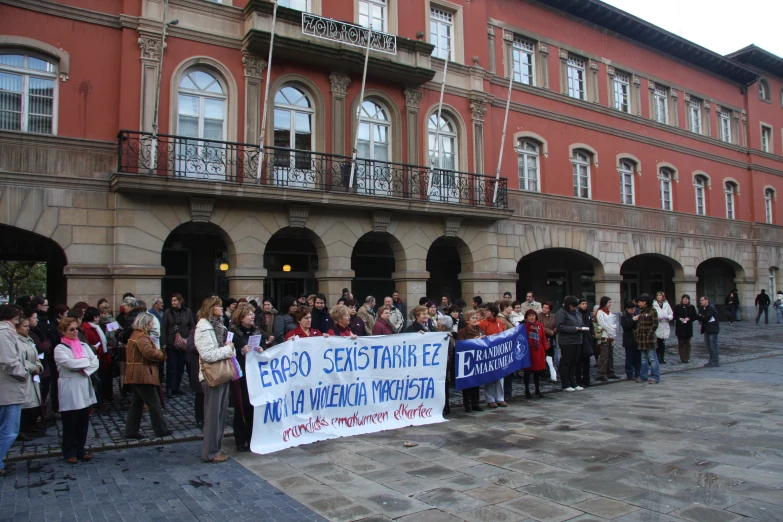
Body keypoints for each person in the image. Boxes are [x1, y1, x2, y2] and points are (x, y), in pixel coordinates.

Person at [194, 296, 236, 463]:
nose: (221, 308)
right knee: (213, 415)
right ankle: (210, 451)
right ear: (211, 308)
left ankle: (216, 448)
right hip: (211, 375)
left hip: (222, 373)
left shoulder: (219, 325)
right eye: (218, 306)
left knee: (220, 414)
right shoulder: (204, 328)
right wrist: (228, 349)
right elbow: (208, 354)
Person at [54, 317, 100, 463]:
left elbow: (95, 361)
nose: (75, 332)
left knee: (83, 420)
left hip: (83, 382)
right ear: (62, 332)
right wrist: (86, 363)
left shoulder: (83, 346)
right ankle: (69, 451)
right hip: (70, 385)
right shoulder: (60, 348)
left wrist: (85, 367)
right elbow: (69, 363)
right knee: (70, 421)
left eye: (76, 329)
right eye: (71, 329)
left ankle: (81, 448)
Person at [124, 312, 170, 440]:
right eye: (151, 323)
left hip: (137, 373)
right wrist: (161, 354)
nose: (152, 325)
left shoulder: (137, 335)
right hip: (142, 374)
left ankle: (131, 431)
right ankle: (160, 429)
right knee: (153, 403)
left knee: (137, 403)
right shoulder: (142, 337)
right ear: (146, 323)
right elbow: (149, 353)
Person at [229, 304, 263, 452]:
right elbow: (229, 352)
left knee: (252, 407)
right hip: (240, 375)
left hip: (254, 375)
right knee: (241, 407)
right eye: (249, 314)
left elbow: (263, 347)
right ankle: (240, 439)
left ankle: (252, 437)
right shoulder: (233, 333)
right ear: (241, 317)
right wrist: (240, 351)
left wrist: (262, 349)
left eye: (253, 314)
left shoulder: (256, 332)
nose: (252, 316)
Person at [0, 305, 28, 475]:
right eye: (17, 319)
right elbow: (9, 361)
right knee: (9, 430)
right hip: (8, 388)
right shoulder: (4, 333)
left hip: (8, 387)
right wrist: (24, 374)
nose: (18, 322)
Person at [161, 294, 195, 397]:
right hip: (171, 343)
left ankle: (177, 387)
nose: (173, 303)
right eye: (172, 301)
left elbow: (192, 326)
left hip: (184, 343)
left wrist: (189, 339)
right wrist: (164, 342)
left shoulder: (187, 312)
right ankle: (169, 388)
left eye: (175, 300)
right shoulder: (168, 312)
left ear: (180, 301)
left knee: (181, 367)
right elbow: (164, 327)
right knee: (172, 367)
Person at [16, 315, 44, 437]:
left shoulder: (29, 339)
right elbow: (19, 359)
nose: (27, 328)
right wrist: (33, 367)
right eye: (25, 326)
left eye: (28, 326)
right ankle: (21, 429)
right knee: (25, 404)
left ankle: (31, 425)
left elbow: (35, 355)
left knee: (34, 402)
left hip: (33, 376)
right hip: (24, 375)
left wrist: (39, 366)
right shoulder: (16, 341)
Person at [80, 307, 112, 406]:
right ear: (95, 317)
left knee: (103, 379)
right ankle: (98, 401)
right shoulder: (87, 329)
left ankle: (102, 398)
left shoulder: (95, 327)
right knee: (98, 381)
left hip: (102, 356)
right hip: (96, 357)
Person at [478, 302, 507, 408]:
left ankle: (500, 398)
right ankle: (490, 399)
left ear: (493, 312)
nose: (485, 312)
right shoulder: (482, 323)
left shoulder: (501, 323)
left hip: (499, 352)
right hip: (488, 353)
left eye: (487, 310)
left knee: (500, 377)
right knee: (489, 376)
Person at [555, 296, 585, 392]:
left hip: (577, 340)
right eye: (573, 306)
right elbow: (560, 327)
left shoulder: (577, 312)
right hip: (567, 341)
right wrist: (574, 329)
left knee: (574, 363)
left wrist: (583, 328)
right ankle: (565, 383)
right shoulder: (561, 313)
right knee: (566, 362)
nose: (574, 308)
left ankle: (573, 382)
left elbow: (581, 322)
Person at [456, 310, 484, 412]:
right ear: (467, 320)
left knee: (476, 383)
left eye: (476, 318)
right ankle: (467, 404)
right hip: (467, 360)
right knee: (467, 383)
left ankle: (475, 403)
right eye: (473, 318)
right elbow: (460, 344)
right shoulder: (462, 331)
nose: (475, 320)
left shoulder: (480, 330)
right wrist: (473, 341)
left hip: (477, 359)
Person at [523, 309, 548, 399]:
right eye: (529, 316)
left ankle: (537, 389)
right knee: (527, 372)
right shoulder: (524, 326)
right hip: (529, 351)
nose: (531, 317)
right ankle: (527, 390)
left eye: (533, 315)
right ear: (526, 317)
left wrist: (545, 348)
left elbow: (543, 338)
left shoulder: (539, 325)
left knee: (537, 372)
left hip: (538, 350)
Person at [635, 294, 660, 384]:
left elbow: (655, 324)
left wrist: (649, 333)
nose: (638, 304)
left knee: (652, 358)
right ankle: (643, 376)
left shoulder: (652, 311)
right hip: (641, 339)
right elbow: (639, 324)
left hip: (649, 339)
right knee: (643, 359)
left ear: (644, 302)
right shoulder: (641, 311)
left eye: (639, 302)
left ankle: (655, 376)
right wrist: (637, 333)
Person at [595, 297, 619, 381]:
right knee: (604, 356)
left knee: (610, 356)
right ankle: (601, 373)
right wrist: (611, 330)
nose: (610, 304)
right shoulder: (600, 312)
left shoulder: (610, 313)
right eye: (609, 302)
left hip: (611, 336)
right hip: (604, 336)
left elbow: (613, 323)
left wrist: (612, 331)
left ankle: (610, 372)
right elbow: (602, 324)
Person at [673, 294, 698, 363]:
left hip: (688, 327)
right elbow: (674, 316)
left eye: (686, 299)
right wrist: (679, 318)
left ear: (688, 300)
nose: (685, 300)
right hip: (680, 327)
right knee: (681, 343)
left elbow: (694, 316)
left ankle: (687, 357)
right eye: (684, 299)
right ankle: (682, 358)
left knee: (687, 343)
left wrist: (689, 318)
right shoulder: (677, 307)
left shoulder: (691, 307)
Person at [576, 299, 595, 386]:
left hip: (587, 338)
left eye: (586, 304)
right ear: (579, 305)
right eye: (582, 304)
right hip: (580, 338)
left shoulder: (588, 313)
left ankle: (587, 380)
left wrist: (591, 334)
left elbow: (590, 325)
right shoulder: (577, 313)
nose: (584, 305)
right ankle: (579, 380)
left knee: (587, 361)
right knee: (579, 361)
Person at [620, 300, 641, 380]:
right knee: (629, 358)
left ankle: (637, 373)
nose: (633, 310)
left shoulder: (637, 315)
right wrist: (633, 320)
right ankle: (629, 374)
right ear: (627, 309)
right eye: (631, 309)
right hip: (628, 340)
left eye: (634, 309)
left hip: (637, 340)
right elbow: (625, 327)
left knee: (637, 358)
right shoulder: (624, 317)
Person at [698, 296, 720, 367]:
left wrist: (702, 316)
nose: (700, 301)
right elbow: (699, 317)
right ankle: (711, 361)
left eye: (702, 300)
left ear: (706, 301)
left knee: (713, 346)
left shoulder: (711, 308)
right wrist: (701, 316)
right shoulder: (703, 308)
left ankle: (715, 361)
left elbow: (706, 318)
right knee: (708, 346)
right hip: (706, 329)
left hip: (712, 329)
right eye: (700, 300)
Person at [653, 292, 673, 364]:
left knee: (662, 343)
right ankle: (657, 357)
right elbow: (652, 315)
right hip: (657, 325)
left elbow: (671, 314)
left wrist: (668, 317)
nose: (658, 297)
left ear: (663, 297)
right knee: (657, 342)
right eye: (657, 295)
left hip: (664, 325)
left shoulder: (666, 304)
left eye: (660, 295)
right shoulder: (654, 305)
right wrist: (657, 318)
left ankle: (662, 357)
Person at [538, 302, 557, 374]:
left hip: (551, 339)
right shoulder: (539, 316)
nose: (544, 309)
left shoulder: (553, 316)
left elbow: (557, 325)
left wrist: (554, 332)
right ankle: (542, 371)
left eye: (546, 308)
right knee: (543, 355)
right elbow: (540, 326)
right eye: (543, 307)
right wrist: (549, 332)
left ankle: (550, 370)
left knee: (551, 355)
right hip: (542, 339)